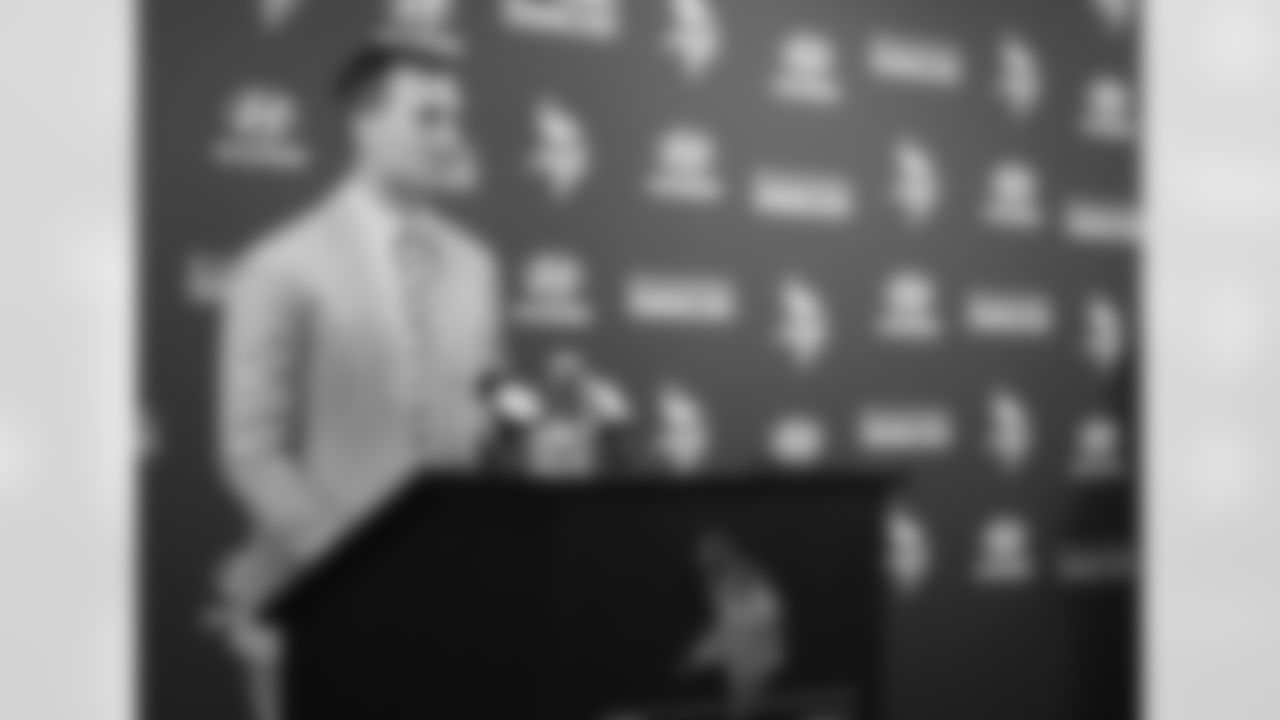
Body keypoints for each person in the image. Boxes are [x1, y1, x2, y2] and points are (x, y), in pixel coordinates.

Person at [209, 35, 504, 720]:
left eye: (456, 118)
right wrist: (358, 570)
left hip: (457, 615)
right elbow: (251, 451)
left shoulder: (477, 265)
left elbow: (485, 420)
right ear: (364, 123)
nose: (449, 137)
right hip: (321, 605)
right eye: (427, 117)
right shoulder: (282, 264)